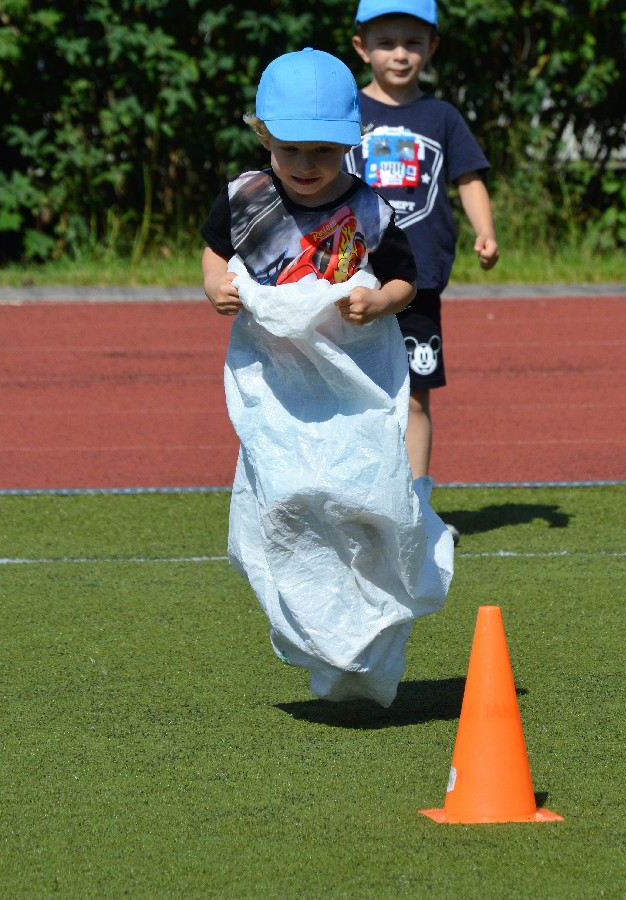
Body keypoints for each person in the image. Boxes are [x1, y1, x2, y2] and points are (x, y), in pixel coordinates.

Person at [201, 48, 453, 707]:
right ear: (264, 137)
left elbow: (405, 278)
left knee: (355, 495)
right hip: (277, 379)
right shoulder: (247, 197)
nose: (306, 165)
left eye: (323, 151)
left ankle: (365, 621)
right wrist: (214, 286)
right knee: (286, 492)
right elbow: (216, 250)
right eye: (290, 150)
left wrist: (380, 301)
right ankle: (309, 620)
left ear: (350, 143)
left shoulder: (369, 208)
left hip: (351, 379)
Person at [344, 0, 498, 523]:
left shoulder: (442, 117)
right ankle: (357, 504)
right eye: (386, 42)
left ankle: (415, 513)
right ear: (361, 47)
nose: (400, 54)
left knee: (413, 399)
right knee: (355, 398)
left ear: (431, 48)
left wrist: (485, 231)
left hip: (420, 280)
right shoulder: (346, 115)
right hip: (352, 279)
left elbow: (468, 179)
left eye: (413, 42)